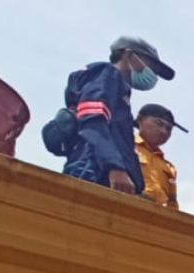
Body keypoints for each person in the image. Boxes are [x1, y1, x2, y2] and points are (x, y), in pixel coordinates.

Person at [61, 36, 175, 194]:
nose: (152, 74)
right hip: (95, 172)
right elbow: (93, 122)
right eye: (151, 66)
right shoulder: (107, 75)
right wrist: (114, 168)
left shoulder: (120, 89)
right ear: (128, 55)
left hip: (110, 177)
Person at [135, 104, 186, 209]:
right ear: (140, 120)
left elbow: (172, 206)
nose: (164, 131)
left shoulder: (169, 168)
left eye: (168, 129)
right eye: (158, 123)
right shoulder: (126, 147)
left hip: (154, 217)